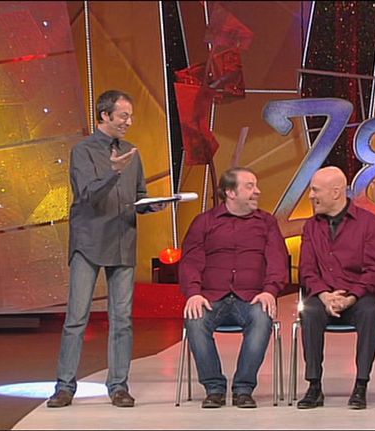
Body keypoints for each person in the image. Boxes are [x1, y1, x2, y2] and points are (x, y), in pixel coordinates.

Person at [47, 89, 168, 408]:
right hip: (89, 241)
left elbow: (138, 194)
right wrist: (113, 172)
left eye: (130, 116)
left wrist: (152, 204)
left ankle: (118, 386)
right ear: (105, 115)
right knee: (77, 317)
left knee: (122, 318)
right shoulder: (83, 151)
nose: (129, 122)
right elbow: (88, 195)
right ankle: (64, 386)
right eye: (123, 116)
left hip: (123, 240)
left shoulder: (131, 152)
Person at [178, 167, 288, 409]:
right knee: (195, 318)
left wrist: (270, 290)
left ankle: (243, 389)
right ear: (230, 192)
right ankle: (214, 388)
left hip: (250, 298)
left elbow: (278, 260)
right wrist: (193, 293)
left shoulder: (267, 223)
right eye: (250, 186)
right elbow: (190, 261)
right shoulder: (204, 222)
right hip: (212, 297)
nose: (257, 191)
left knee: (262, 316)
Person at [296, 166, 375, 410]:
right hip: (324, 294)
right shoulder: (311, 226)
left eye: (315, 190)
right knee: (309, 312)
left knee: (370, 313)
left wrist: (351, 297)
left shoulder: (369, 223)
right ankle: (314, 386)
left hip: (359, 295)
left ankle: (361, 385)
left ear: (336, 192)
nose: (311, 196)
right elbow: (307, 270)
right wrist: (325, 295)